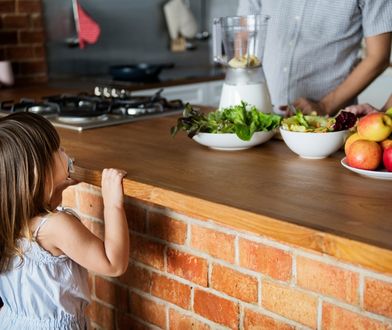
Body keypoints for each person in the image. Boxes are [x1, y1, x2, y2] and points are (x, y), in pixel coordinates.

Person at [0, 112, 129, 329]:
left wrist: (57, 186)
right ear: (39, 171)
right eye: (58, 149)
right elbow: (114, 264)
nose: (65, 152)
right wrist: (112, 204)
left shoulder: (11, 221)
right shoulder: (57, 226)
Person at [237, 0, 392, 116]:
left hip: (328, 123)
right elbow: (244, 36)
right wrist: (247, 95)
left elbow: (378, 57)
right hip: (260, 115)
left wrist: (325, 106)